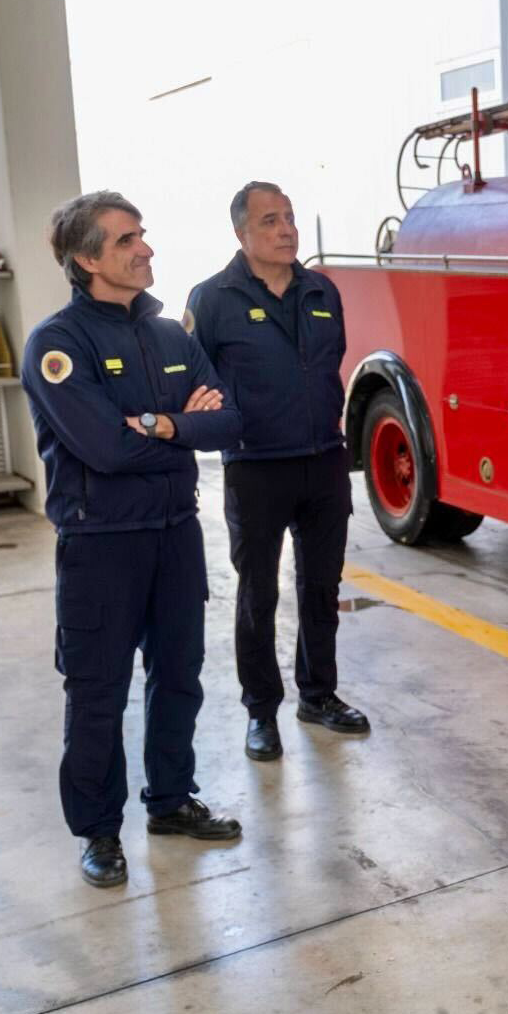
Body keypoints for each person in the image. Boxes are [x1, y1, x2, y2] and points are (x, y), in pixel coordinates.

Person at [21, 191, 245, 889]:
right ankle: (98, 832)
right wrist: (179, 425)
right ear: (87, 258)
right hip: (102, 545)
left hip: (176, 535)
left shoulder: (171, 334)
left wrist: (160, 424)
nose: (145, 248)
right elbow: (102, 450)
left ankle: (171, 801)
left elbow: (229, 423)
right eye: (125, 240)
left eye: (142, 235)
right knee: (98, 692)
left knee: (179, 677)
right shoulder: (56, 345)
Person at [185, 182, 367, 762]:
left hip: (323, 460)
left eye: (288, 218)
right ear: (241, 234)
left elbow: (329, 363)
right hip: (255, 467)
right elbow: (196, 379)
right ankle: (260, 712)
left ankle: (319, 695)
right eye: (270, 221)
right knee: (257, 593)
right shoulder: (212, 299)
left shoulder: (322, 290)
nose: (285, 229)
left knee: (322, 587)